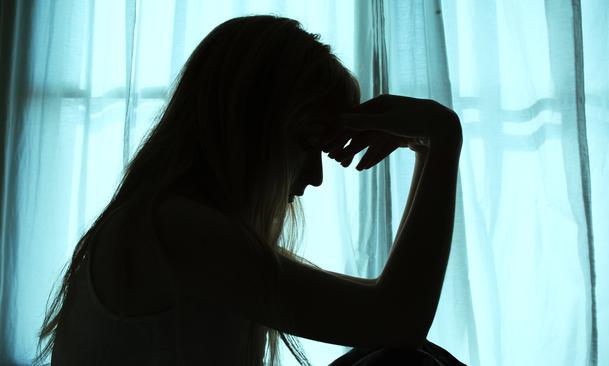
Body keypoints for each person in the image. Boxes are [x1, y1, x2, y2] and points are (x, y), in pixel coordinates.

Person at [33, 15, 463, 366]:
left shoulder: (164, 225)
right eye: (307, 144)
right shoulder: (174, 231)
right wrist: (439, 143)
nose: (314, 177)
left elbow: (390, 318)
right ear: (252, 129)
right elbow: (397, 318)